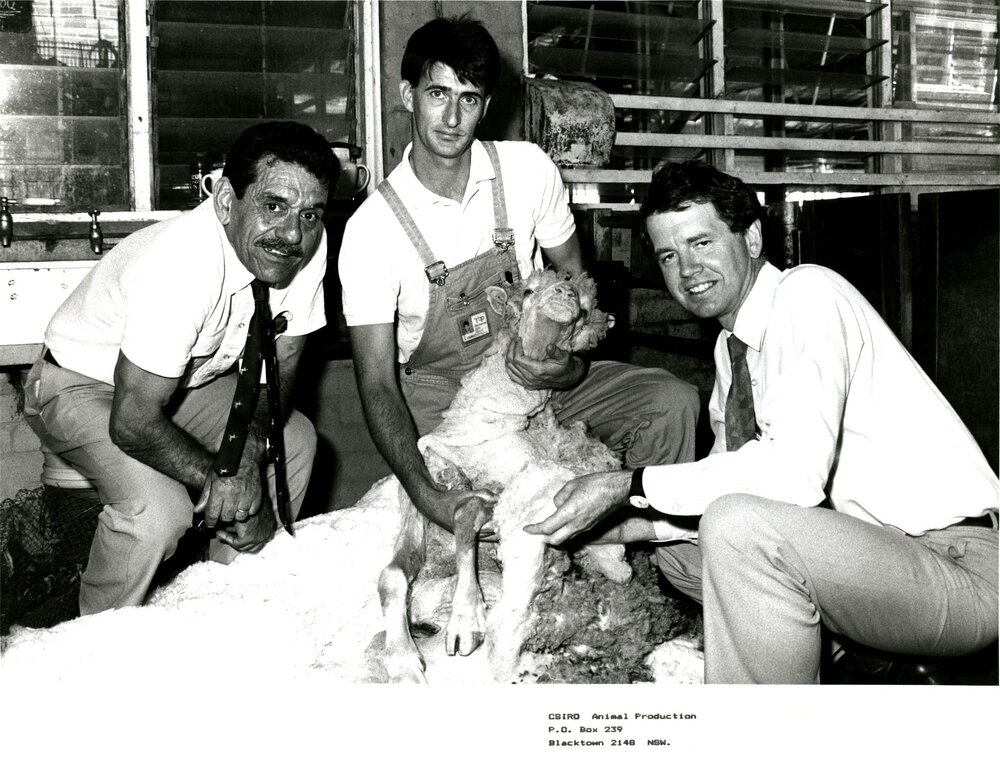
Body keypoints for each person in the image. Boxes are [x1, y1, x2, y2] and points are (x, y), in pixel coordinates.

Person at [525, 160, 999, 684]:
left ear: (751, 237)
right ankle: (831, 656)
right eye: (668, 254)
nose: (686, 269)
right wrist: (615, 529)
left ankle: (765, 732)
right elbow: (729, 481)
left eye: (701, 243)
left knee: (734, 526)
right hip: (877, 556)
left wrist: (626, 485)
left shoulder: (808, 293)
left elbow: (791, 477)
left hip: (957, 565)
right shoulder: (734, 353)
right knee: (680, 554)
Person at [338, 16, 701, 535]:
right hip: (443, 406)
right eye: (437, 92)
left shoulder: (529, 170)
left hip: (537, 378)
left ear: (486, 106)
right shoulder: (371, 230)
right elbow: (376, 384)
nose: (451, 116)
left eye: (469, 98)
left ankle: (664, 563)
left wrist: (569, 368)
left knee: (673, 403)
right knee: (470, 535)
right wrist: (429, 497)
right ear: (406, 94)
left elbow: (578, 287)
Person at [24, 121, 339, 615]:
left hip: (181, 387)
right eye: (273, 206)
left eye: (310, 213)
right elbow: (132, 422)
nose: (292, 234)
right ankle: (94, 648)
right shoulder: (181, 264)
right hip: (81, 385)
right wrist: (230, 487)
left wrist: (248, 462)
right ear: (226, 202)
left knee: (295, 439)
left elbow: (277, 378)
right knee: (158, 512)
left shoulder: (305, 247)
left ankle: (228, 610)